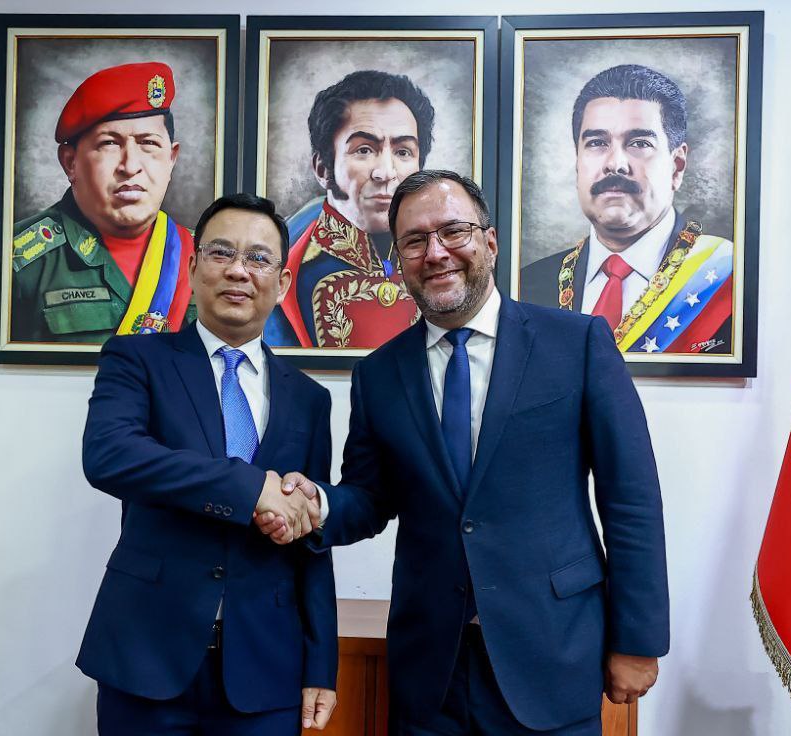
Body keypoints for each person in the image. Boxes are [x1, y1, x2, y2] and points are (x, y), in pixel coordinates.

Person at [261, 171, 669, 735]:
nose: (435, 253)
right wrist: (319, 505)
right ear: (399, 259)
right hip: (431, 669)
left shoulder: (576, 343)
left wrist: (638, 639)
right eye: (414, 241)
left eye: (453, 231)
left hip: (552, 651)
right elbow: (371, 497)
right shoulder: (378, 373)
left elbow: (632, 499)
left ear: (490, 242)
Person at [79, 193, 338, 733]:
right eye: (222, 252)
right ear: (194, 267)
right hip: (146, 654)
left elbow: (311, 539)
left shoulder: (310, 400)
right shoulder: (137, 358)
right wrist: (250, 488)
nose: (239, 270)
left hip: (266, 667)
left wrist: (321, 665)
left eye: (259, 258)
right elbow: (110, 455)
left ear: (283, 283)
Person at [521, 64, 736, 356]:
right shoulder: (528, 284)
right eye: (597, 143)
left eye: (639, 143)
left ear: (677, 166)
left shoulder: (728, 282)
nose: (615, 164)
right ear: (577, 162)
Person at [11, 62, 195, 344]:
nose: (130, 166)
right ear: (70, 162)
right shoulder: (15, 261)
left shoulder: (205, 258)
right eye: (109, 143)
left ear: (171, 159)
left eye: (148, 143)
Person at [263, 70, 435, 349]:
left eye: (403, 152)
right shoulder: (288, 268)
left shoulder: (438, 259)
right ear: (322, 168)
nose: (386, 172)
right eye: (364, 150)